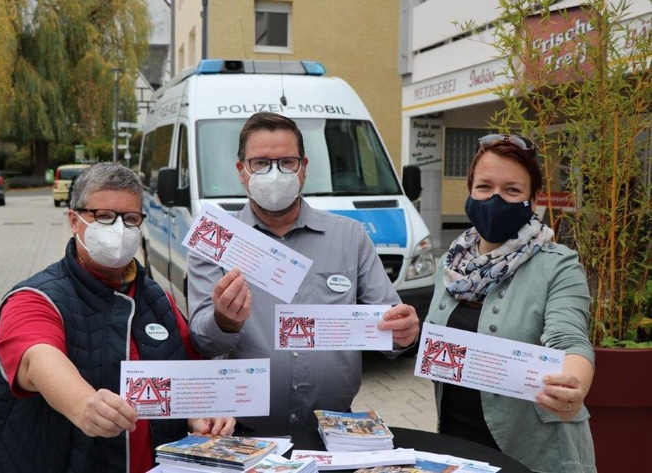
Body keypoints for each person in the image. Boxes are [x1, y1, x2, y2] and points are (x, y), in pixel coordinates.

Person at [0, 162, 235, 473]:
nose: (119, 229)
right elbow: (38, 360)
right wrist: (83, 404)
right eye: (104, 217)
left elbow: (187, 373)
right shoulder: (35, 298)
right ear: (74, 221)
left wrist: (200, 413)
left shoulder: (156, 297)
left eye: (131, 219)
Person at [187, 112, 420, 433]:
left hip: (335, 431)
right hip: (242, 431)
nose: (275, 173)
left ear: (304, 168)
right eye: (260, 163)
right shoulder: (215, 239)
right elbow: (201, 340)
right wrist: (224, 320)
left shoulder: (350, 237)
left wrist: (402, 333)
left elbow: (390, 325)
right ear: (241, 171)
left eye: (287, 162)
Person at [425, 134, 596, 472]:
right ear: (470, 192)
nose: (495, 199)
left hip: (533, 454)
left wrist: (574, 385)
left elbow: (570, 338)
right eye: (485, 187)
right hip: (457, 446)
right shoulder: (449, 266)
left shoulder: (559, 264)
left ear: (532, 200)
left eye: (512, 190)